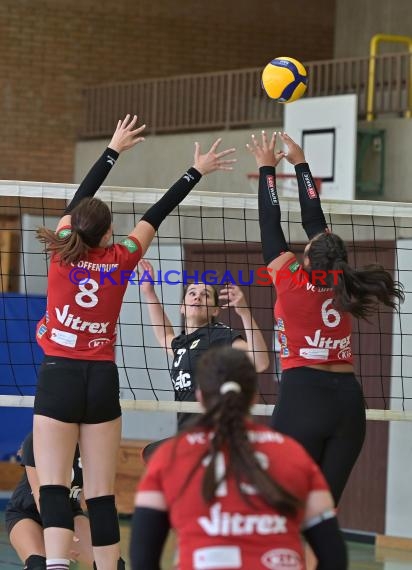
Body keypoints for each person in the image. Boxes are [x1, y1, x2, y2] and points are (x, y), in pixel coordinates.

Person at [33, 114, 237, 570]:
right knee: (102, 494)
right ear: (107, 234)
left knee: (52, 486)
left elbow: (78, 198)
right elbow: (157, 211)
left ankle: (55, 566)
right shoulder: (123, 256)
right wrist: (196, 171)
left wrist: (112, 150)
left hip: (58, 376)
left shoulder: (61, 251)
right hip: (101, 379)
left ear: (76, 229)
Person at [246, 130, 404, 508]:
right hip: (349, 405)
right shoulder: (341, 279)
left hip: (304, 396)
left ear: (305, 260)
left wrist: (268, 169)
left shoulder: (291, 281)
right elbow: (314, 220)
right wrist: (300, 163)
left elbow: (271, 223)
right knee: (322, 515)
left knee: (277, 504)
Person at [130, 345, 348, 570]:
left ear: (200, 397)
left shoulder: (170, 456)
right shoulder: (293, 454)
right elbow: (334, 556)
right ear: (253, 397)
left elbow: (143, 559)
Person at [138, 259, 269, 459]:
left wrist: (244, 313)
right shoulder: (182, 343)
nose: (197, 297)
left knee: (159, 458)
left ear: (216, 310)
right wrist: (149, 293)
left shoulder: (219, 335)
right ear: (182, 307)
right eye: (192, 294)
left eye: (205, 295)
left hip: (212, 432)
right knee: (152, 454)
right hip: (187, 433)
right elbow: (164, 336)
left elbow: (260, 362)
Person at [5, 432, 93, 570]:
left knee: (109, 560)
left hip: (69, 513)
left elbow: (96, 496)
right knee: (39, 565)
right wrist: (59, 540)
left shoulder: (93, 443)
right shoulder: (36, 440)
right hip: (27, 513)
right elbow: (42, 499)